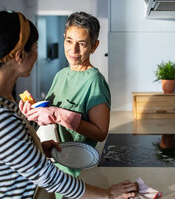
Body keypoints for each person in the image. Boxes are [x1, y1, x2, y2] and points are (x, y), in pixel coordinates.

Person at [0, 10, 137, 198]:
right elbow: (46, 176)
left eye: (82, 43)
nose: (74, 49)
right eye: (36, 47)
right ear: (20, 55)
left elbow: (11, 156)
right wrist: (108, 194)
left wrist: (36, 147)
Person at [20, 12, 111, 199]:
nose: (73, 50)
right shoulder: (61, 74)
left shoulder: (95, 81)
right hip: (58, 168)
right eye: (69, 41)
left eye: (82, 43)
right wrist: (36, 111)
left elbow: (100, 132)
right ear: (64, 39)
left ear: (95, 46)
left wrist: (57, 114)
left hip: (79, 172)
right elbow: (52, 113)